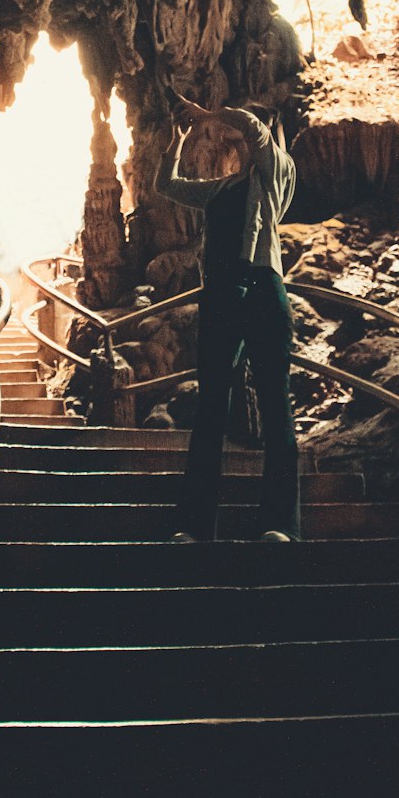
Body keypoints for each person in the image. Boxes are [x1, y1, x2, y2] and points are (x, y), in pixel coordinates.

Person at [155, 94, 300, 543]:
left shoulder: (275, 173)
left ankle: (280, 525)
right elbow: (168, 186)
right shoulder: (220, 189)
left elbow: (254, 130)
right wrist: (176, 143)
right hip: (219, 296)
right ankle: (195, 526)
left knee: (275, 403)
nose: (234, 136)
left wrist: (208, 114)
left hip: (259, 286)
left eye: (243, 129)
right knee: (212, 407)